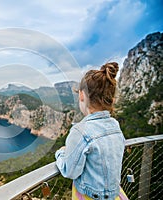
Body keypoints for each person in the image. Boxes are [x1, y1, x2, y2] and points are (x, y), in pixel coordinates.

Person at [55, 62, 128, 200]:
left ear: (82, 95)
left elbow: (70, 171)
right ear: (111, 100)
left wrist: (61, 153)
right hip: (115, 195)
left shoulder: (80, 131)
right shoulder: (115, 125)